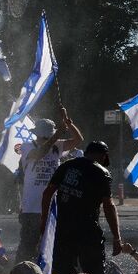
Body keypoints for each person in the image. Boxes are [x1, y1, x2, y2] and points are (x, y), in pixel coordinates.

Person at [42, 141, 121, 274]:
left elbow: (47, 193)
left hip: (63, 229)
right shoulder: (102, 173)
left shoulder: (67, 166)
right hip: (88, 231)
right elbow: (108, 206)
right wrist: (116, 237)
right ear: (103, 156)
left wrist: (45, 223)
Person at [17, 111, 83, 263]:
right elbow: (40, 153)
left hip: (53, 208)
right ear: (38, 135)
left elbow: (78, 139)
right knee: (28, 247)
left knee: (53, 245)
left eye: (49, 136)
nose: (48, 139)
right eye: (45, 136)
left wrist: (68, 123)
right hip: (32, 208)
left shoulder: (57, 145)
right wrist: (58, 133)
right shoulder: (26, 147)